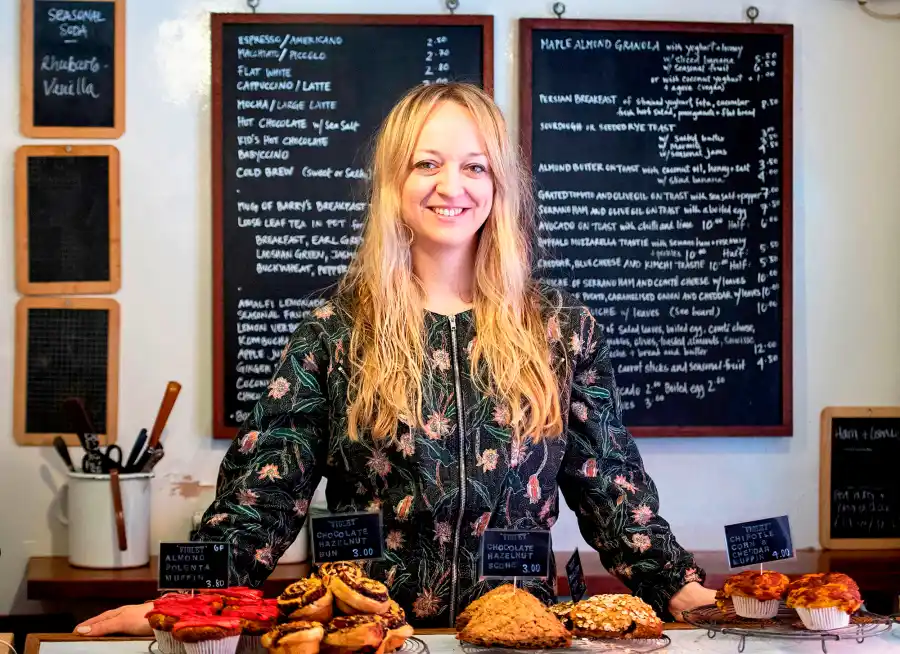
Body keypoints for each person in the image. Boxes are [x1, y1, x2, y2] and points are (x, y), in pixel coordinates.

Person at [75, 81, 716, 636]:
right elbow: (262, 492)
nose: (450, 186)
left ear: (499, 184)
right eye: (426, 163)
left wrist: (678, 585)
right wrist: (189, 602)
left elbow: (609, 484)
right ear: (393, 182)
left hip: (519, 633)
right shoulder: (335, 330)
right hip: (370, 635)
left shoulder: (560, 328)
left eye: (475, 167)